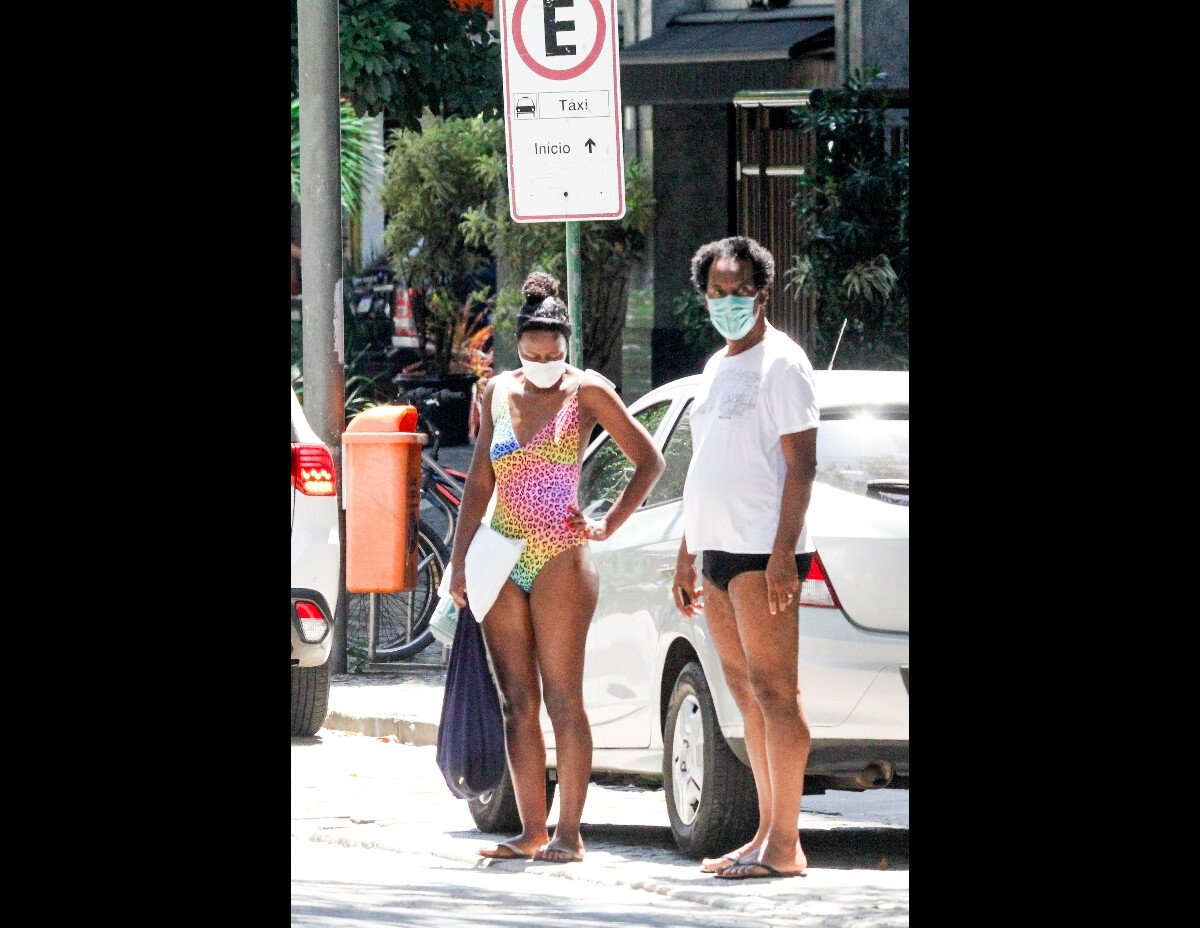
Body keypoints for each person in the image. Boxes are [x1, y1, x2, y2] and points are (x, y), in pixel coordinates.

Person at [448, 271, 665, 863]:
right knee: (518, 701)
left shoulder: (587, 390)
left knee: (564, 697)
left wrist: (607, 523)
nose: (543, 361)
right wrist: (459, 561)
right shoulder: (497, 392)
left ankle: (570, 834)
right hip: (501, 552)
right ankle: (531, 830)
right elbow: (479, 480)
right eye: (533, 351)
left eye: (554, 352)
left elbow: (649, 459)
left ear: (567, 347)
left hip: (560, 555)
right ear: (518, 344)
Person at [671, 235, 820, 880]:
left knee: (777, 693)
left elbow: (802, 465)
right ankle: (766, 834)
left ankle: (786, 843)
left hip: (766, 554)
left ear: (762, 292)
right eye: (716, 292)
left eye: (737, 291)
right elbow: (704, 467)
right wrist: (686, 551)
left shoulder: (784, 364)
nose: (726, 302)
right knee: (744, 692)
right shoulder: (714, 367)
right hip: (717, 553)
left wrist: (785, 554)